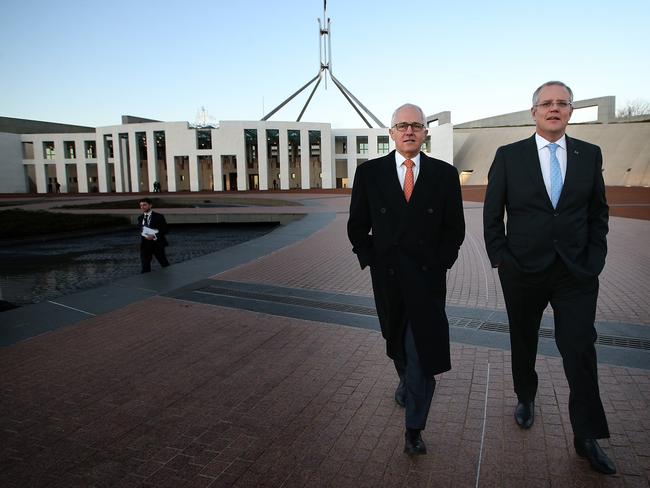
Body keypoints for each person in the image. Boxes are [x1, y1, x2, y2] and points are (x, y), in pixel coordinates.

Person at [483, 81, 615, 474]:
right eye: (547, 103)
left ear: (571, 111)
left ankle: (586, 435)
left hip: (575, 273)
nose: (554, 108)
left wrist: (594, 259)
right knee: (523, 340)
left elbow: (598, 213)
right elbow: (493, 215)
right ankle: (525, 395)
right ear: (534, 111)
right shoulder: (509, 156)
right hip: (522, 270)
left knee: (579, 348)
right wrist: (501, 259)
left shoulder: (589, 155)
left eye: (562, 103)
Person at [348, 103, 465, 456]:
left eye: (416, 124)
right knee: (395, 341)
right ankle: (404, 378)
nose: (409, 130)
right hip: (389, 278)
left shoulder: (444, 175)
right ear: (391, 133)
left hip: (428, 279)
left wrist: (442, 261)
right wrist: (371, 260)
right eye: (402, 125)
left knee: (421, 353)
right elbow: (357, 225)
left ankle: (414, 428)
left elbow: (454, 227)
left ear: (425, 131)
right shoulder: (369, 174)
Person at [137, 197, 170, 273]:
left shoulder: (158, 216)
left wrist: (154, 235)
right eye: (141, 205)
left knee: (164, 263)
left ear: (150, 205)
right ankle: (146, 282)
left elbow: (165, 230)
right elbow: (141, 230)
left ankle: (168, 280)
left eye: (144, 205)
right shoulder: (140, 218)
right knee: (145, 267)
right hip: (145, 245)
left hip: (157, 244)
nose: (142, 207)